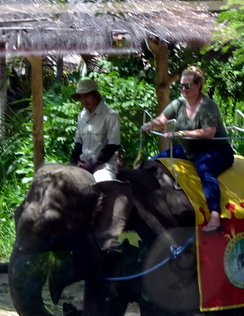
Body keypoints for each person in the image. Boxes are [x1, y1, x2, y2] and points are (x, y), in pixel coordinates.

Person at [141, 66, 234, 233]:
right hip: (189, 150)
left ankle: (215, 215)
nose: (183, 89)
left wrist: (180, 133)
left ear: (198, 86)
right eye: (181, 86)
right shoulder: (178, 104)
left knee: (205, 171)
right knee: (156, 160)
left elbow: (209, 132)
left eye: (188, 86)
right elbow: (162, 120)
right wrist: (150, 124)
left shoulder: (208, 106)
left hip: (215, 150)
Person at [70, 78, 121, 182]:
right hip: (82, 164)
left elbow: (113, 145)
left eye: (87, 96)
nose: (84, 100)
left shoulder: (110, 115)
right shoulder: (81, 115)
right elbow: (78, 141)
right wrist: (75, 159)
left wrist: (91, 164)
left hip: (103, 167)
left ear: (96, 95)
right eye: (81, 97)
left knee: (104, 186)